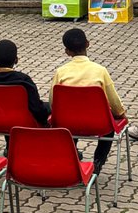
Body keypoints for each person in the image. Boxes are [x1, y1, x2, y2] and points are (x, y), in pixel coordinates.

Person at [50, 27, 125, 175]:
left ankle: (72, 155)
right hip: (98, 124)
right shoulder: (100, 70)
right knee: (110, 126)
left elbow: (53, 102)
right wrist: (120, 113)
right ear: (88, 44)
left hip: (67, 123)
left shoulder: (60, 72)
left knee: (70, 122)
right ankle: (98, 161)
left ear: (67, 51)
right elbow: (113, 100)